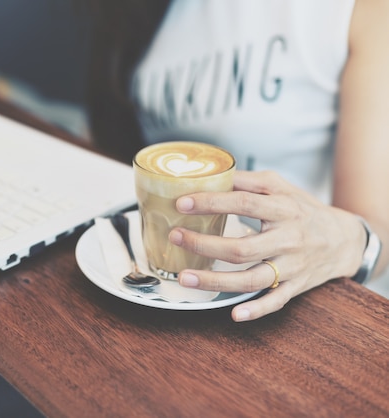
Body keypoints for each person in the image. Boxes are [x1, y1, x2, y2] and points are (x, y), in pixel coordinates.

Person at [82, 0, 389, 321]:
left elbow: (378, 227)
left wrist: (349, 240)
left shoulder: (363, 10)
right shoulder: (132, 10)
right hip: (160, 294)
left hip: (297, 300)